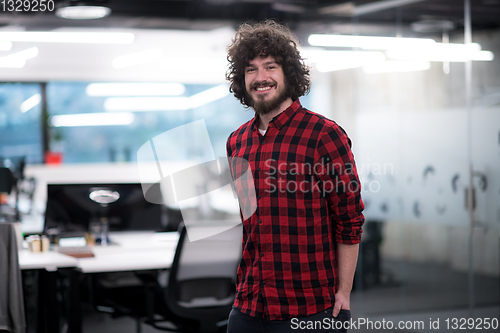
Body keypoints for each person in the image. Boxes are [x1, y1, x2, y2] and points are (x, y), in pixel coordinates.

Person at [225, 20, 365, 333]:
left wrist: (344, 292)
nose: (261, 77)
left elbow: (349, 219)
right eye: (251, 69)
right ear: (242, 79)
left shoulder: (324, 135)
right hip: (248, 305)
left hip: (309, 308)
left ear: (288, 72)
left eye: (270, 66)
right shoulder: (237, 141)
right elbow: (252, 221)